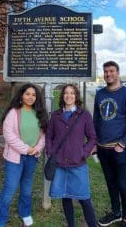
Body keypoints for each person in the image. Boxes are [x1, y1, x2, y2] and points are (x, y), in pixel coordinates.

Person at [0, 83, 48, 227]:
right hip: (14, 158)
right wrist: (26, 149)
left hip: (32, 157)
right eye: (27, 94)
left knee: (26, 187)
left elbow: (44, 135)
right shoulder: (14, 112)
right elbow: (9, 135)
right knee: (10, 188)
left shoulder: (39, 113)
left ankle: (25, 212)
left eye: (34, 95)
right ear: (21, 95)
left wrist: (36, 149)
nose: (30, 97)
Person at [93, 61, 126, 227]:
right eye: (105, 72)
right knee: (110, 182)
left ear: (118, 73)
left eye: (111, 71)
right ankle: (115, 212)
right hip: (102, 149)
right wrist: (94, 143)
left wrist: (122, 143)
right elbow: (96, 120)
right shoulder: (100, 94)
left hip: (118, 150)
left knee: (122, 183)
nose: (108, 74)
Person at [46, 84, 97, 227]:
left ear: (76, 96)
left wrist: (84, 152)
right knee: (65, 197)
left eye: (72, 93)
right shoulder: (56, 115)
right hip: (60, 164)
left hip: (77, 164)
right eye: (66, 93)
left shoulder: (84, 115)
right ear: (62, 96)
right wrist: (50, 151)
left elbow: (92, 137)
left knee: (84, 199)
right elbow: (49, 136)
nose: (69, 96)